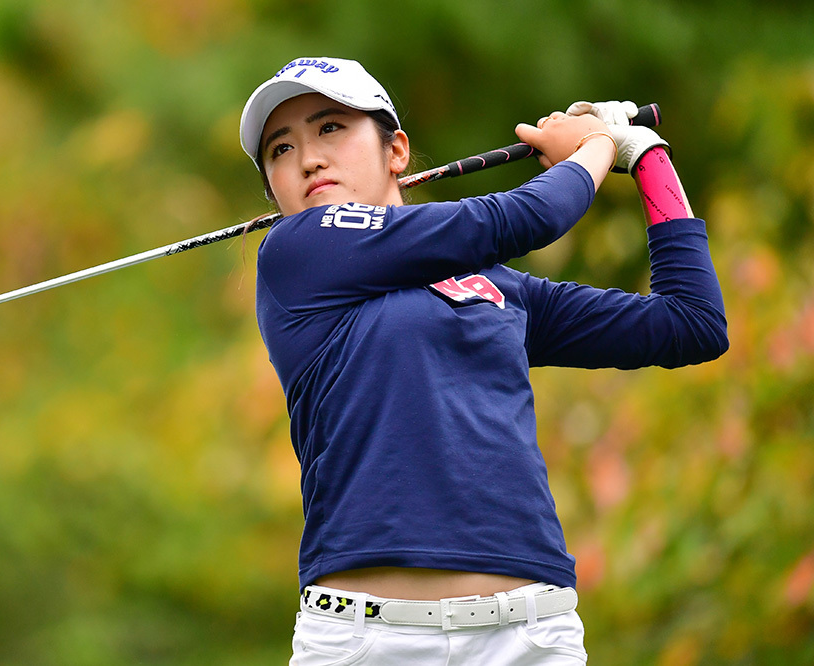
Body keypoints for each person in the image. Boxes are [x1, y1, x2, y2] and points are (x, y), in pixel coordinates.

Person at [239, 56, 728, 664]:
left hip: (530, 635)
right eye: (281, 149)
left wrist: (649, 158)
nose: (309, 159)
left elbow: (691, 324)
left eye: (330, 128)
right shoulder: (295, 253)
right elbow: (530, 217)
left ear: (396, 151)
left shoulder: (496, 288)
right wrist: (597, 145)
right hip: (366, 641)